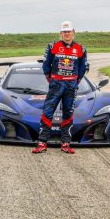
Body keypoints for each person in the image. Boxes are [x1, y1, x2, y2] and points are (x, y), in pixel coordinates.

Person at [33, 20, 87, 155]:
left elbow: (82, 69)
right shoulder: (52, 46)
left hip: (71, 86)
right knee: (47, 112)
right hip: (56, 85)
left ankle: (66, 143)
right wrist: (52, 81)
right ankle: (41, 143)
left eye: (69, 31)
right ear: (60, 33)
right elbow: (46, 66)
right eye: (64, 32)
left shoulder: (81, 49)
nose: (66, 34)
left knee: (68, 114)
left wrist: (75, 82)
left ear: (73, 33)